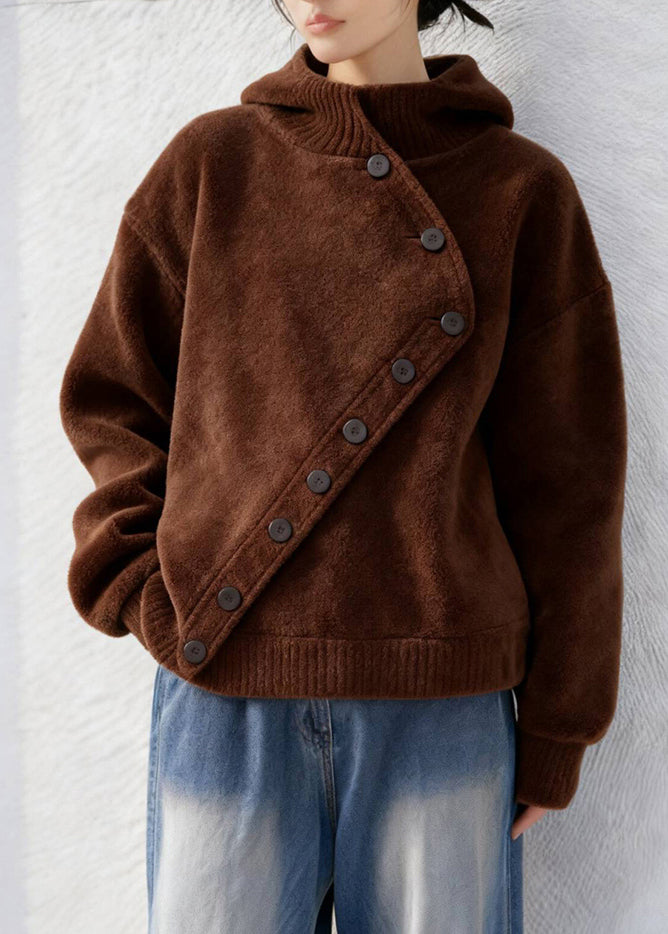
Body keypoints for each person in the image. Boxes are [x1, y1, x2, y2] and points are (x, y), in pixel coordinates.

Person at [58, 1, 627, 932]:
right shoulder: (212, 165)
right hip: (226, 691)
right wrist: (137, 583)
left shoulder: (521, 188)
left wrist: (561, 725)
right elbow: (110, 398)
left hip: (442, 702)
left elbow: (572, 485)